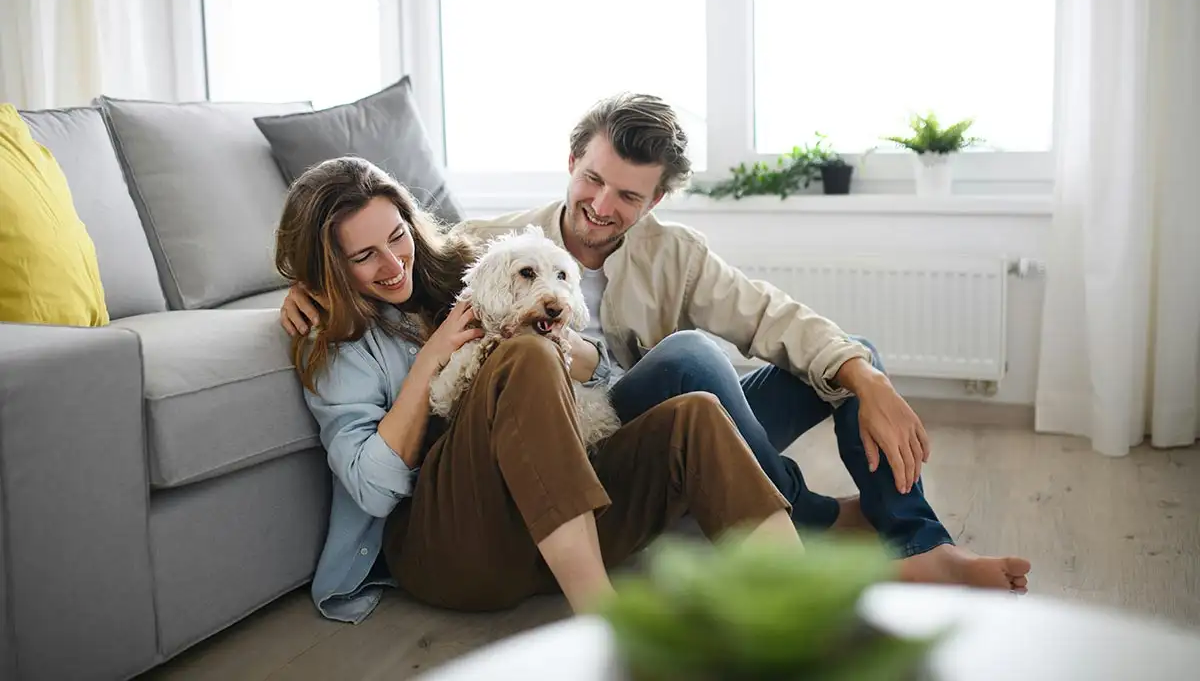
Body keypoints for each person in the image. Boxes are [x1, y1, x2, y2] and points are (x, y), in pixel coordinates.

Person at [280, 94, 1031, 594]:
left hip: (627, 425)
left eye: (628, 196)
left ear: (655, 200)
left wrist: (867, 378)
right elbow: (386, 264)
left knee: (843, 357)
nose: (602, 207)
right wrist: (306, 286)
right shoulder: (490, 247)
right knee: (692, 360)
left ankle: (919, 544)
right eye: (593, 180)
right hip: (575, 445)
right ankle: (812, 519)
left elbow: (768, 316)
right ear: (571, 162)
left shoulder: (676, 252)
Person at [275, 155, 804, 623]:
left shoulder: (464, 269)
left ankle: (811, 600)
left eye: (397, 238)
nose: (393, 264)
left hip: (541, 534)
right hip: (450, 552)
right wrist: (430, 359)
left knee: (695, 415)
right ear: (331, 267)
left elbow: (603, 381)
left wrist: (576, 351)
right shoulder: (335, 342)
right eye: (364, 256)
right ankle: (606, 626)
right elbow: (370, 489)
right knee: (524, 353)